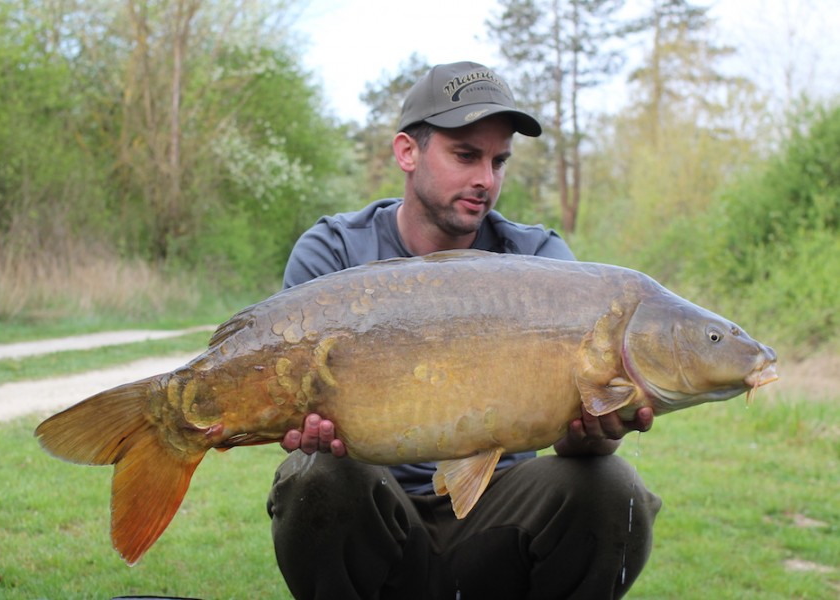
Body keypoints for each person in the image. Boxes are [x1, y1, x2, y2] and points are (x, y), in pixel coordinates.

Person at [267, 61, 661, 599]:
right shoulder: (334, 253)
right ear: (407, 152)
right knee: (313, 476)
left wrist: (592, 438)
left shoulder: (543, 262)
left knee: (614, 486)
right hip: (377, 517)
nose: (486, 180)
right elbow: (289, 415)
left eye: (499, 161)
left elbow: (578, 451)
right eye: (465, 155)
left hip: (499, 520)